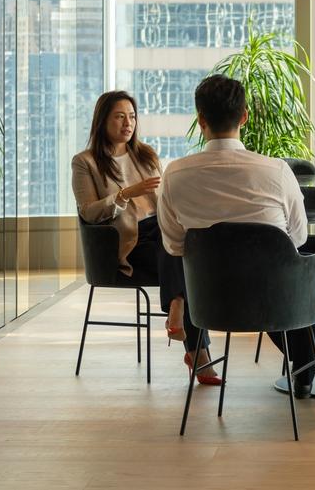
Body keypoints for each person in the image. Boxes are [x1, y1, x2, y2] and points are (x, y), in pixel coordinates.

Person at [156, 74, 315, 398]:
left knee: (186, 257)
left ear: (200, 119)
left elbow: (173, 244)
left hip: (208, 301)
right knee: (301, 265)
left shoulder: (175, 174)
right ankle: (306, 361)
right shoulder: (276, 170)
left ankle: (308, 360)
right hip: (275, 300)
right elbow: (300, 236)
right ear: (245, 116)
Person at [72, 91, 217, 384]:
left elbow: (165, 202)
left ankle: (178, 309)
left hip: (158, 230)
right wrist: (126, 194)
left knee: (180, 243)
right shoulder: (85, 162)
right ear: (102, 121)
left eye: (133, 116)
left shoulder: (146, 154)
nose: (128, 123)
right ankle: (196, 349)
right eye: (120, 116)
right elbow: (89, 212)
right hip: (126, 243)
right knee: (179, 253)